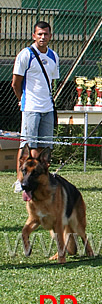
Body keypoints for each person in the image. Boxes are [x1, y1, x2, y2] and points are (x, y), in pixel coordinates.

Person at [11, 21, 59, 192]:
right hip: (30, 107)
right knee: (26, 145)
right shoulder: (25, 54)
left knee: (44, 147)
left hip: (47, 108)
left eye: (45, 34)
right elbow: (16, 83)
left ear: (50, 36)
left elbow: (51, 82)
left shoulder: (54, 56)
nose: (42, 37)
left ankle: (39, 179)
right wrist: (21, 99)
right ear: (34, 35)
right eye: (39, 34)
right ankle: (20, 179)